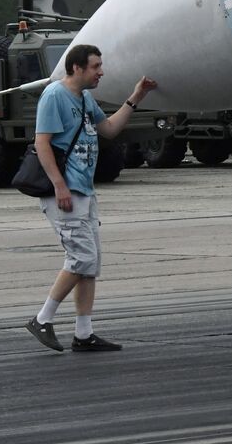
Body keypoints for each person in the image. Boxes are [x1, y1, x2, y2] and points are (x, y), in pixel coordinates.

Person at [26, 43, 158, 353]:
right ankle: (42, 319)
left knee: (89, 263)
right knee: (81, 258)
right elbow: (42, 143)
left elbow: (109, 129)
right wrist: (59, 185)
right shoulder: (55, 96)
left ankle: (83, 334)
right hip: (65, 192)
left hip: (84, 191)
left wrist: (136, 97)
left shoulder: (85, 98)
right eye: (96, 66)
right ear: (76, 68)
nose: (101, 71)